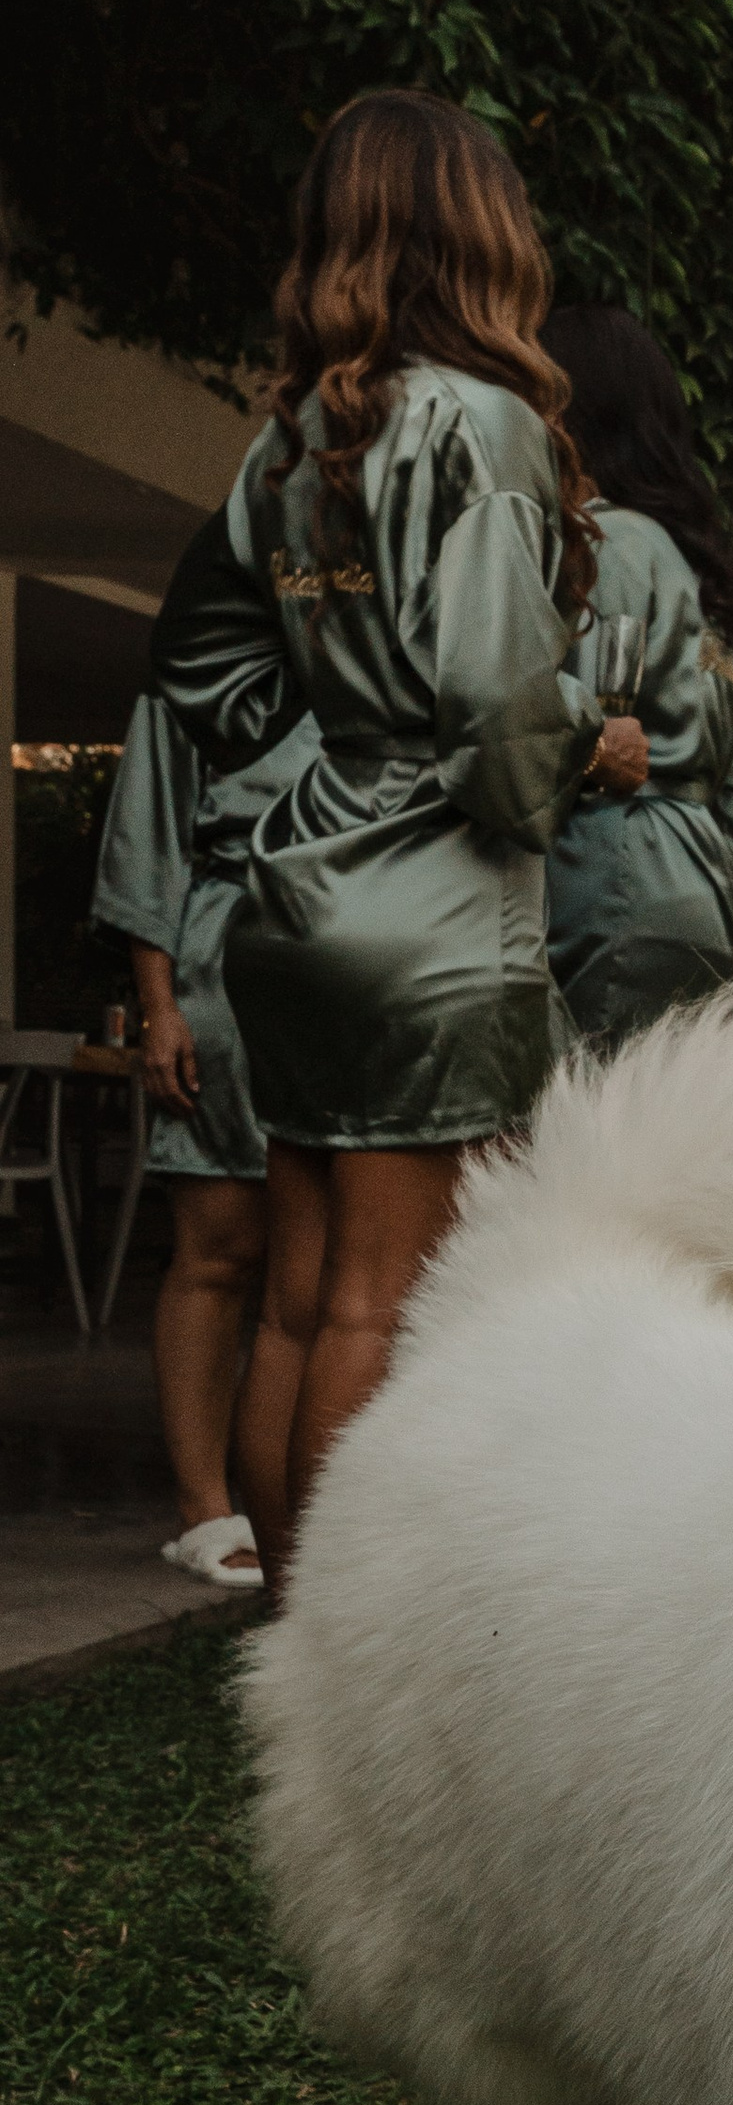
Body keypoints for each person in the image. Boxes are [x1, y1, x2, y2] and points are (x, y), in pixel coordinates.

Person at [146, 85, 599, 1583]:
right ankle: (344, 1647)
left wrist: (310, 771)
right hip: (435, 915)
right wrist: (567, 752)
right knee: (386, 1301)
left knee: (298, 1292)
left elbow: (203, 663)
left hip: (293, 902)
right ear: (478, 232)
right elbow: (494, 700)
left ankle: (291, 1632)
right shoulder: (483, 427)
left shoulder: (284, 446)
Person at [90, 676, 323, 1589]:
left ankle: (303, 1500)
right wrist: (159, 1008)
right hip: (225, 956)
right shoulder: (194, 667)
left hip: (359, 951)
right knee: (220, 1244)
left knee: (331, 1255)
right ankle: (203, 1507)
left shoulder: (386, 636)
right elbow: (147, 845)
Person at [537, 303, 733, 1042]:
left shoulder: (608, 540)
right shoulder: (685, 556)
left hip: (611, 870)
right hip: (697, 876)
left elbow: (600, 726)